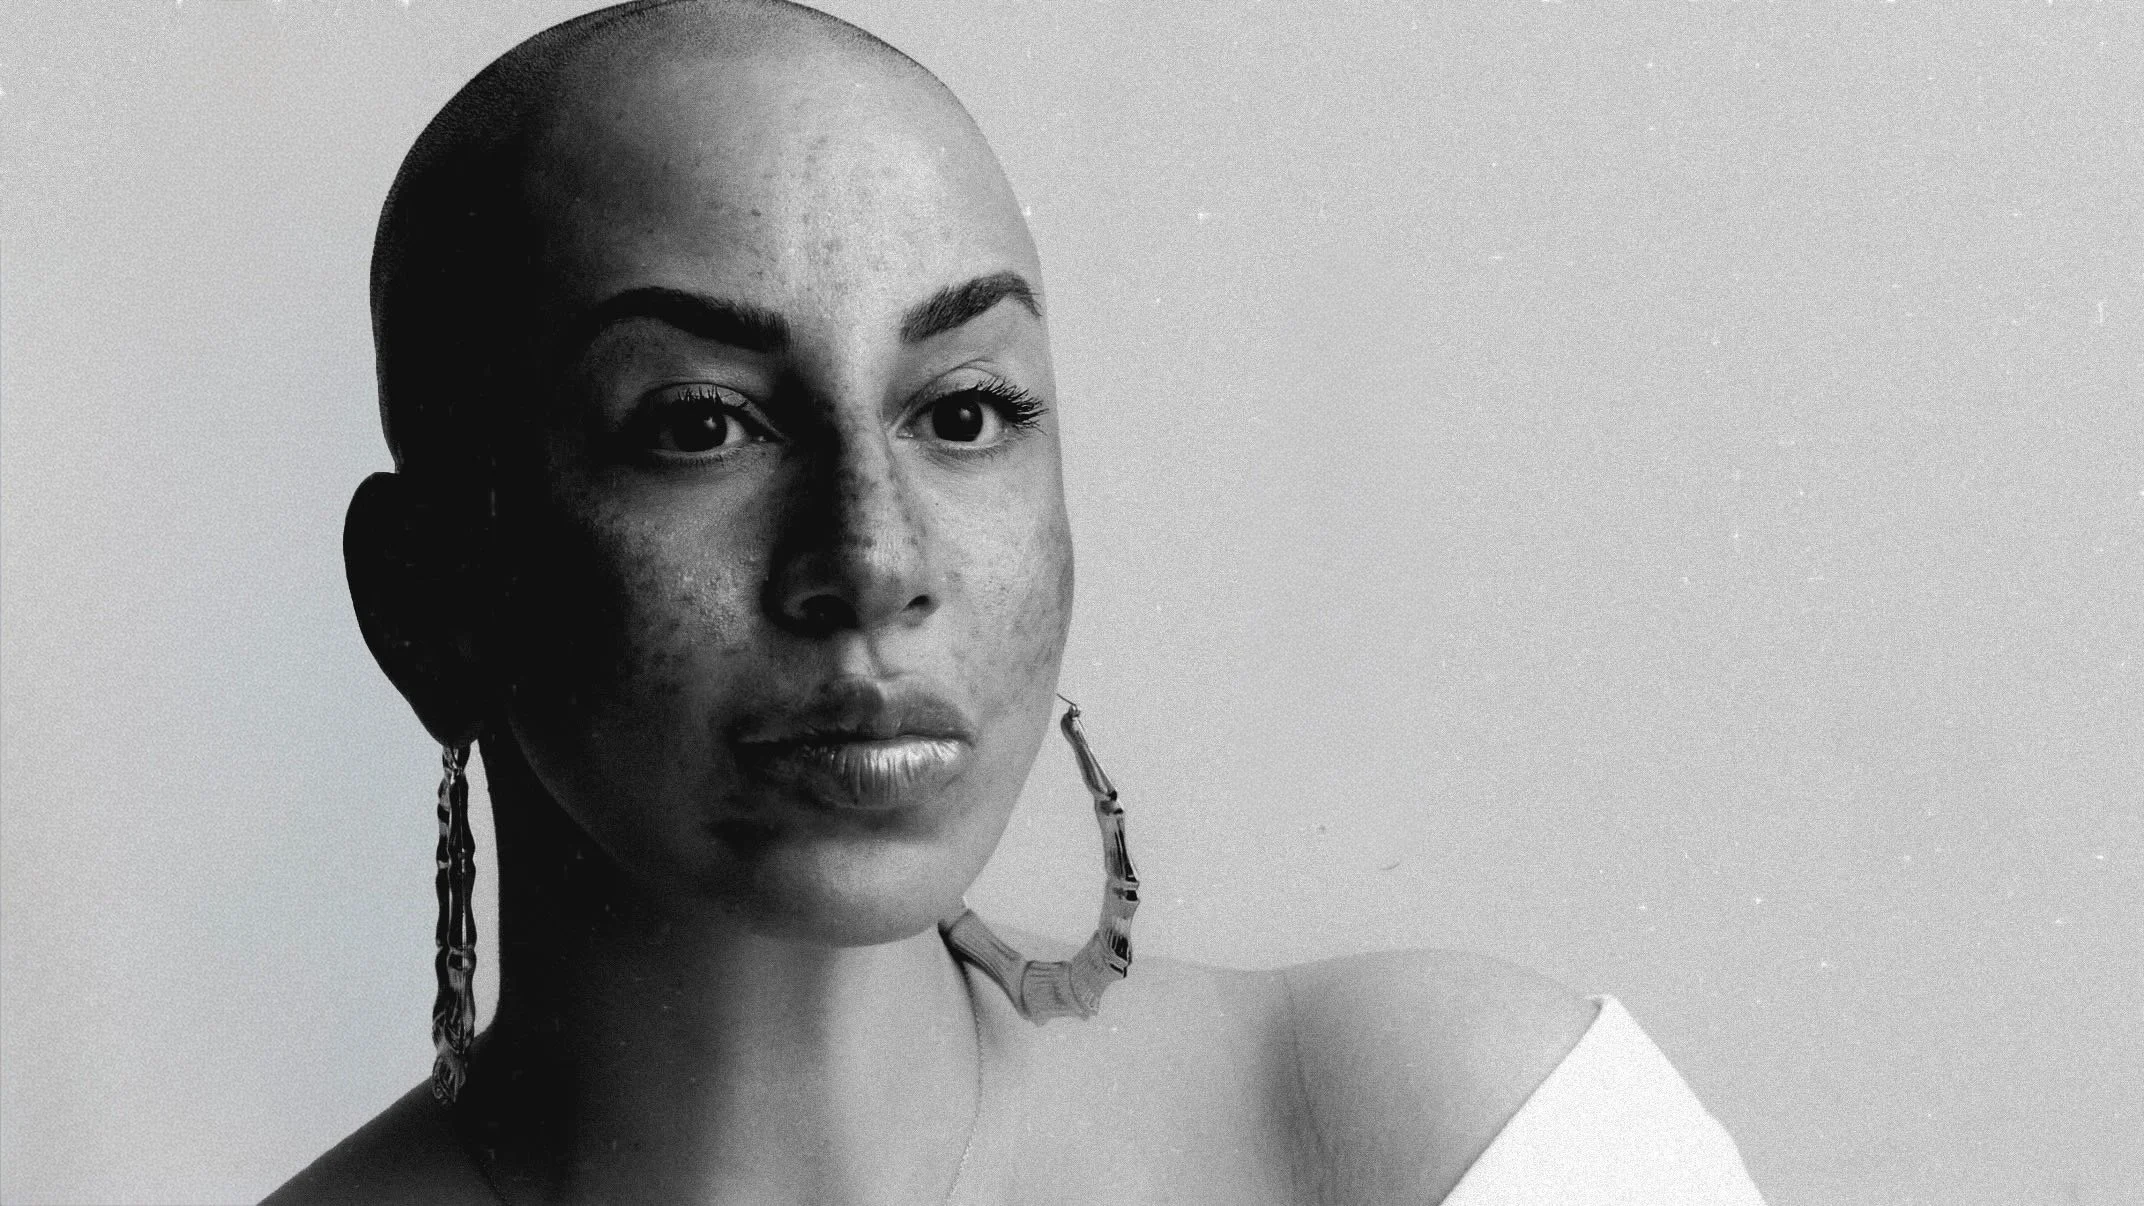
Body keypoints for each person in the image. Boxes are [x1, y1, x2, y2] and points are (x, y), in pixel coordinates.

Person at [268, 1, 1766, 1202]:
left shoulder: (1450, 1140)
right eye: (702, 423)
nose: (872, 557)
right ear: (427, 602)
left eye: (966, 410)